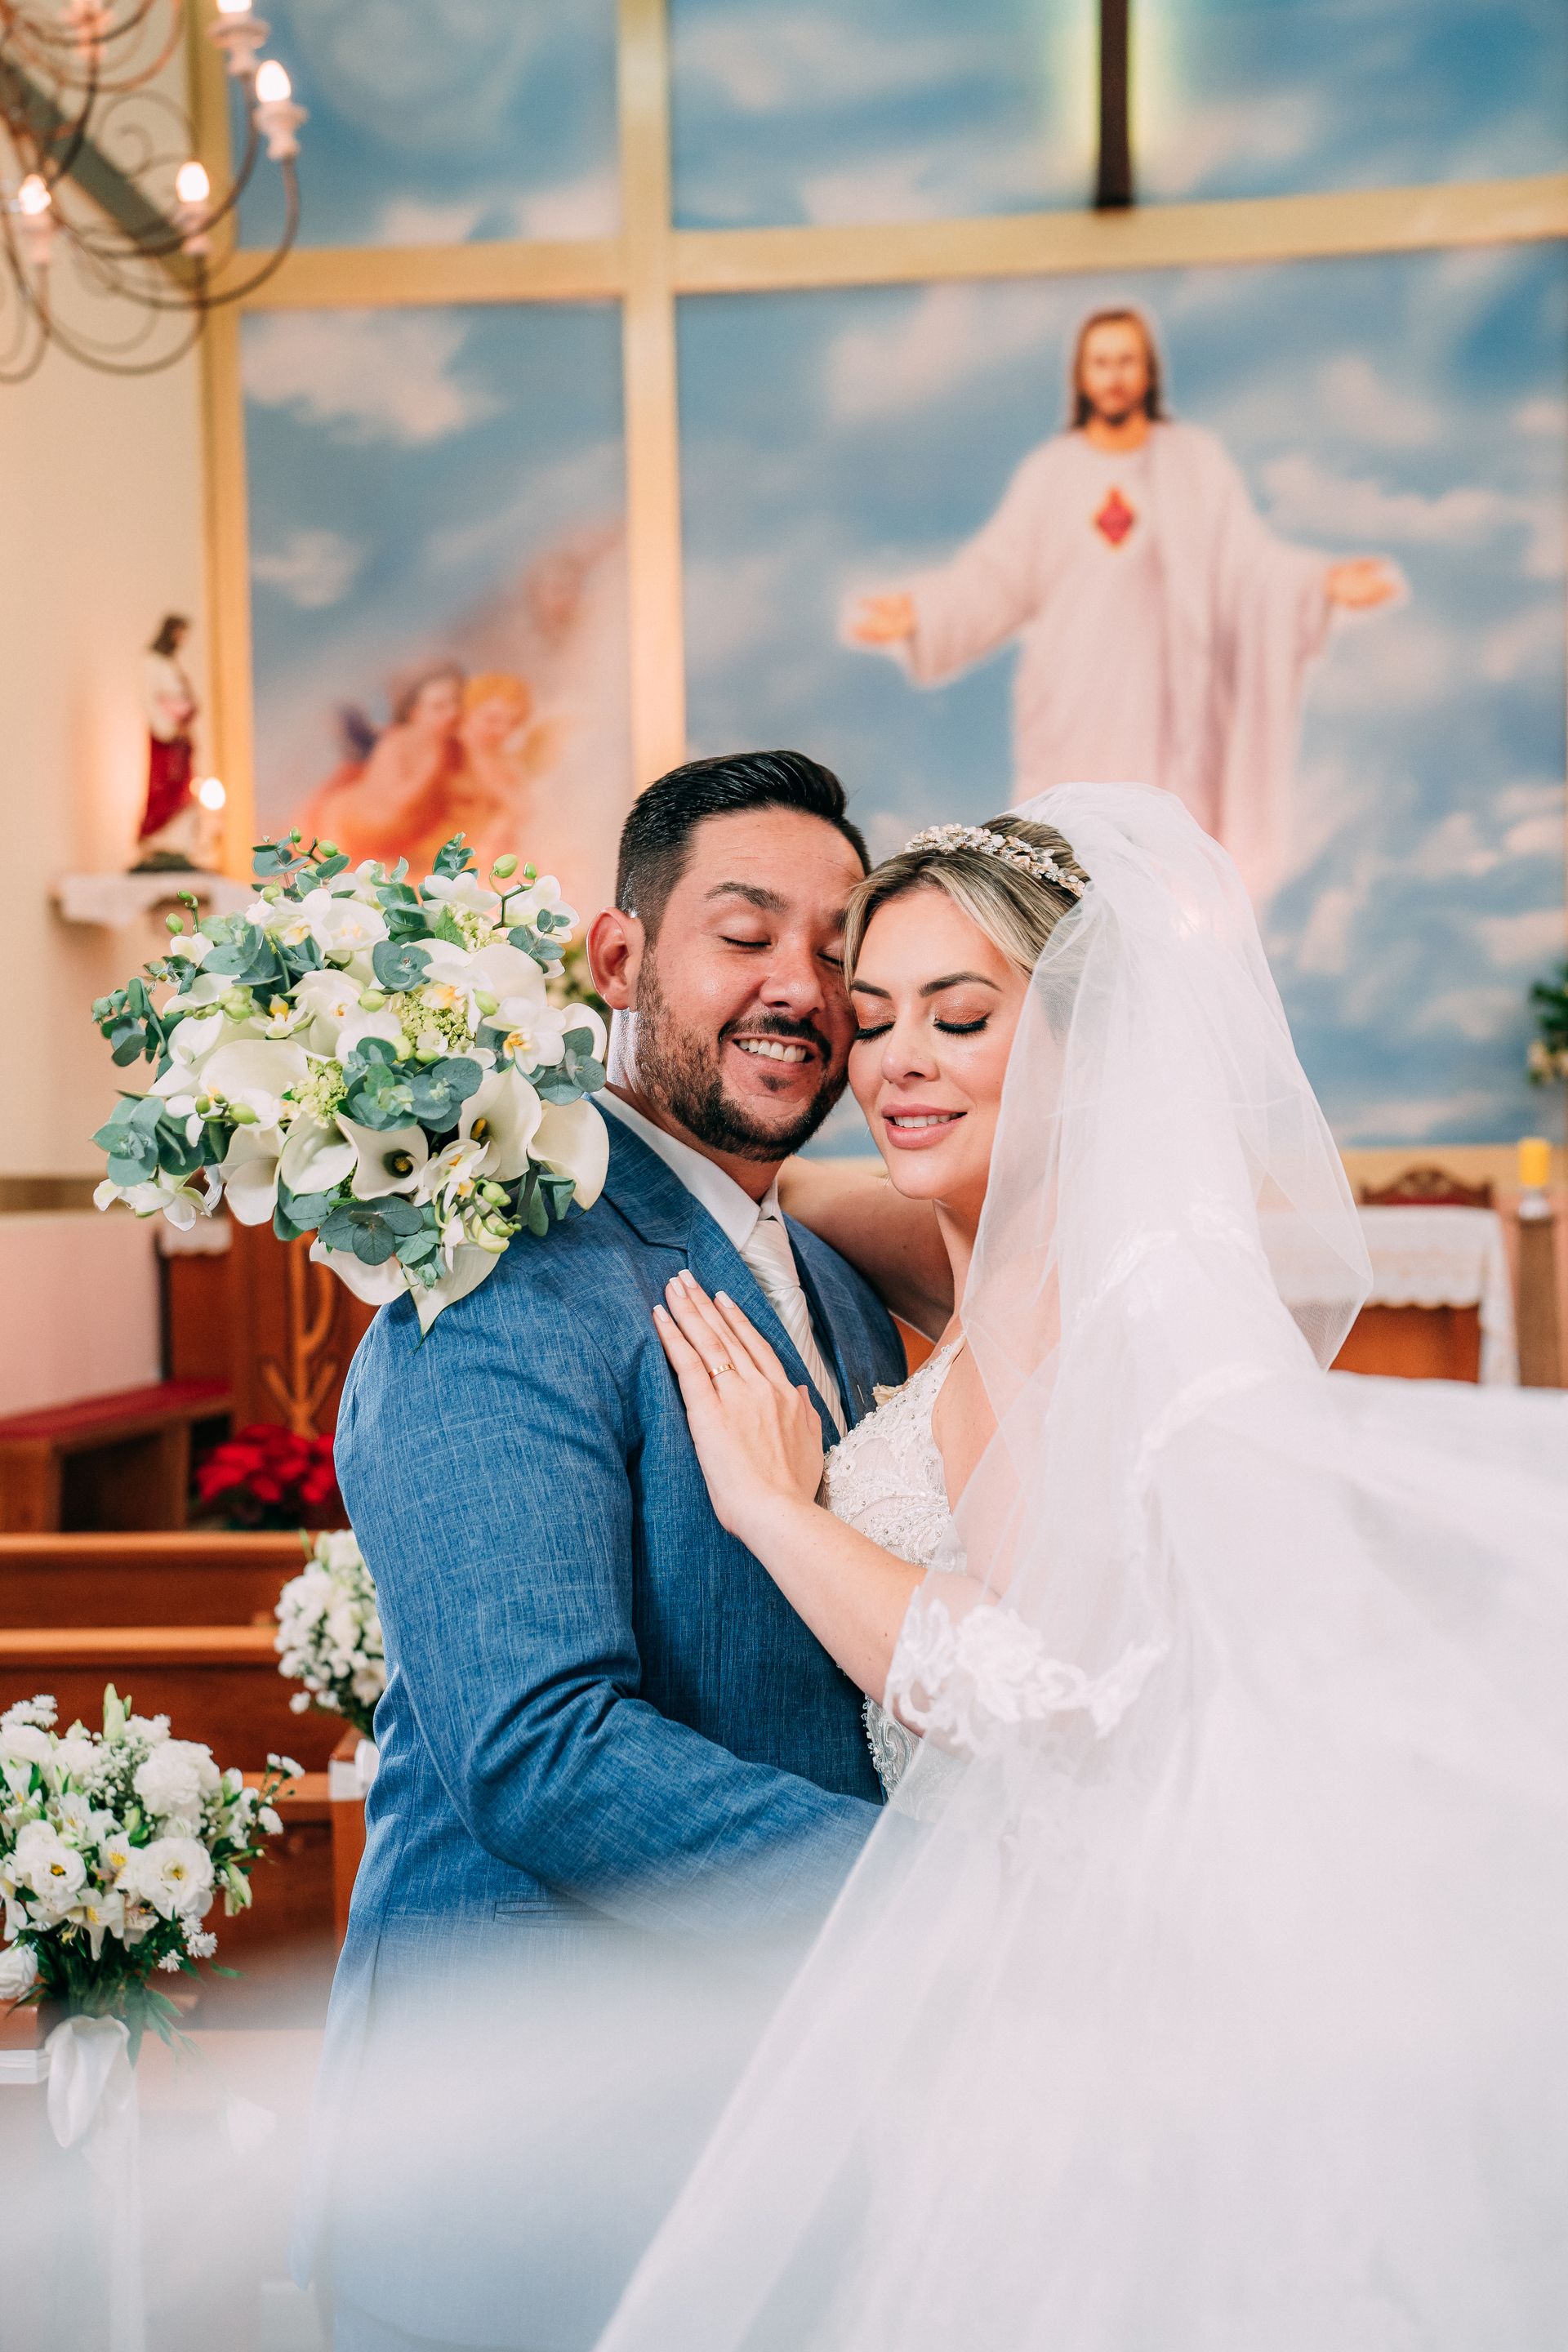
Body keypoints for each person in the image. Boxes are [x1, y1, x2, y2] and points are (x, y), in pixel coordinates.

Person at [596, 785, 1568, 2351]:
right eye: (878, 1016)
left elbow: (1061, 1686)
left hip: (1091, 2003)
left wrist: (787, 1519)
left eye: (962, 1018)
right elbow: (775, 1202)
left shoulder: (1139, 1298)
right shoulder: (990, 1241)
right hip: (995, 1999)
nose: (898, 1061)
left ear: (1090, 1045)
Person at [302, 750, 907, 2351]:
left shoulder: (830, 1278)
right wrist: (939, 1899)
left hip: (763, 2104)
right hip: (525, 2133)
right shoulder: (495, 1262)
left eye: (841, 948)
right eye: (748, 931)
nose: (803, 986)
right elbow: (540, 1748)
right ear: (620, 960)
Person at [849, 310, 1401, 898]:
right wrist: (925, 614)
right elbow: (999, 576)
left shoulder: (1193, 463)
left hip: (1169, 707)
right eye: (1102, 362)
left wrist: (1320, 586)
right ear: (1082, 377)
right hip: (1074, 704)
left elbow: (1243, 565)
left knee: (1163, 875)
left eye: (1126, 361)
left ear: (1148, 372)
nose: (1114, 376)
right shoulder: (1053, 473)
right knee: (1074, 871)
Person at [296, 661, 466, 868]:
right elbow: (401, 800)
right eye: (439, 707)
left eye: (456, 702)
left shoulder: (449, 744)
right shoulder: (396, 744)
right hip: (353, 823)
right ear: (415, 713)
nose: (452, 713)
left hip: (399, 833)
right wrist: (430, 768)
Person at [136, 612, 199, 864]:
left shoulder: (171, 663)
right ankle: (157, 839)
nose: (182, 639)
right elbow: (150, 698)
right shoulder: (151, 662)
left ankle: (176, 843)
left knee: (182, 787)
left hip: (180, 736)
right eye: (179, 633)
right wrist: (169, 726)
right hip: (166, 736)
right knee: (164, 785)